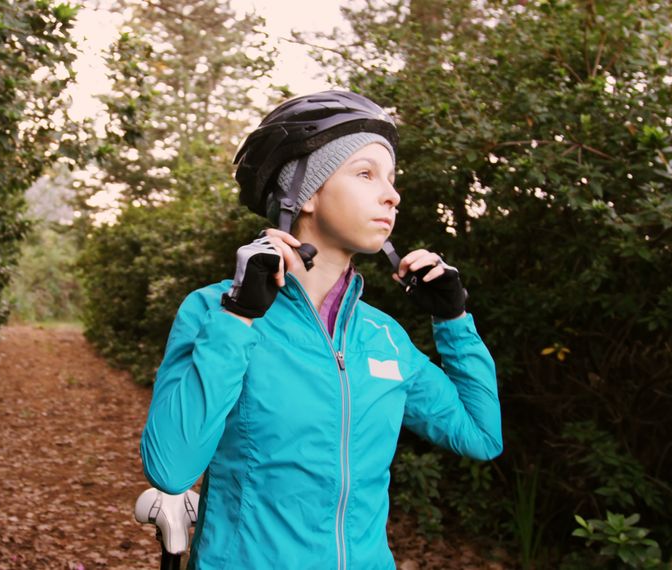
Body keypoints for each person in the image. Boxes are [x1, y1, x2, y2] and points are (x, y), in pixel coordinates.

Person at [139, 90, 502, 569]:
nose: (392, 194)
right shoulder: (216, 311)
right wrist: (238, 316)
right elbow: (170, 469)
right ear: (303, 193)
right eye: (366, 173)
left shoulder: (383, 336)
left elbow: (481, 435)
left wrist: (453, 321)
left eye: (391, 179)